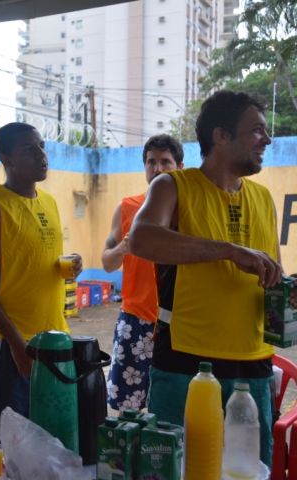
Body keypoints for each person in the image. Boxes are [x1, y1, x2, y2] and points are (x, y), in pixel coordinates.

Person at [130, 90, 283, 466]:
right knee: (178, 469)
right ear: (221, 136)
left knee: (248, 471)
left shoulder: (264, 198)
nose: (267, 139)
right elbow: (142, 238)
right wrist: (229, 250)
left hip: (254, 366)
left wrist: (285, 292)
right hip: (187, 362)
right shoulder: (172, 187)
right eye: (257, 130)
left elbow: (270, 277)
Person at [0, 122, 82, 449]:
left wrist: (68, 265)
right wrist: (17, 344)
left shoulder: (48, 201)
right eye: (29, 150)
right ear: (6, 157)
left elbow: (32, 262)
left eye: (42, 146)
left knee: (41, 442)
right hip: (6, 342)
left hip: (51, 340)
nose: (42, 156)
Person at [102, 134, 184, 411]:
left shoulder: (191, 209)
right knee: (129, 408)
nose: (158, 169)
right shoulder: (127, 208)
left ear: (180, 167)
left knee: (172, 406)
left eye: (165, 162)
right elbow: (107, 263)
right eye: (151, 162)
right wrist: (124, 247)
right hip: (135, 320)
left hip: (179, 322)